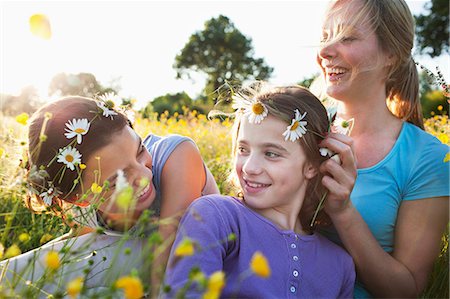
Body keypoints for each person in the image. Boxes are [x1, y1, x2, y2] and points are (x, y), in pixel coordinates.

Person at [0, 95, 219, 297]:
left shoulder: (178, 156)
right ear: (79, 198)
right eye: (117, 180)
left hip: (188, 260)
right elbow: (78, 244)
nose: (144, 175)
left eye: (140, 150)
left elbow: (169, 262)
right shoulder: (82, 202)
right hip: (136, 266)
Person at [163, 84, 356, 298]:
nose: (249, 168)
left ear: (311, 165)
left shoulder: (340, 266)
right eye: (243, 150)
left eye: (271, 154)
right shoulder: (216, 216)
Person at [316, 0, 450, 297]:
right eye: (325, 37)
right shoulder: (301, 129)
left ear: (391, 53)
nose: (324, 52)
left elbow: (406, 290)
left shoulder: (427, 158)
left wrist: (343, 211)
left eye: (347, 37)